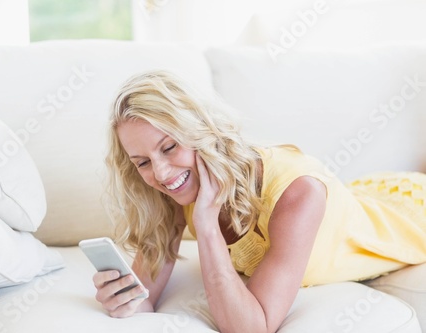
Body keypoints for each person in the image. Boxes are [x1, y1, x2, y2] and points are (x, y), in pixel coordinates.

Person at [92, 70, 426, 332]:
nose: (162, 174)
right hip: (361, 196)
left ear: (201, 132)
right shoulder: (176, 186)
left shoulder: (297, 193)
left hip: (410, 215)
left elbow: (251, 328)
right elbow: (145, 298)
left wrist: (207, 227)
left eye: (169, 147)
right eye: (142, 162)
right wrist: (125, 300)